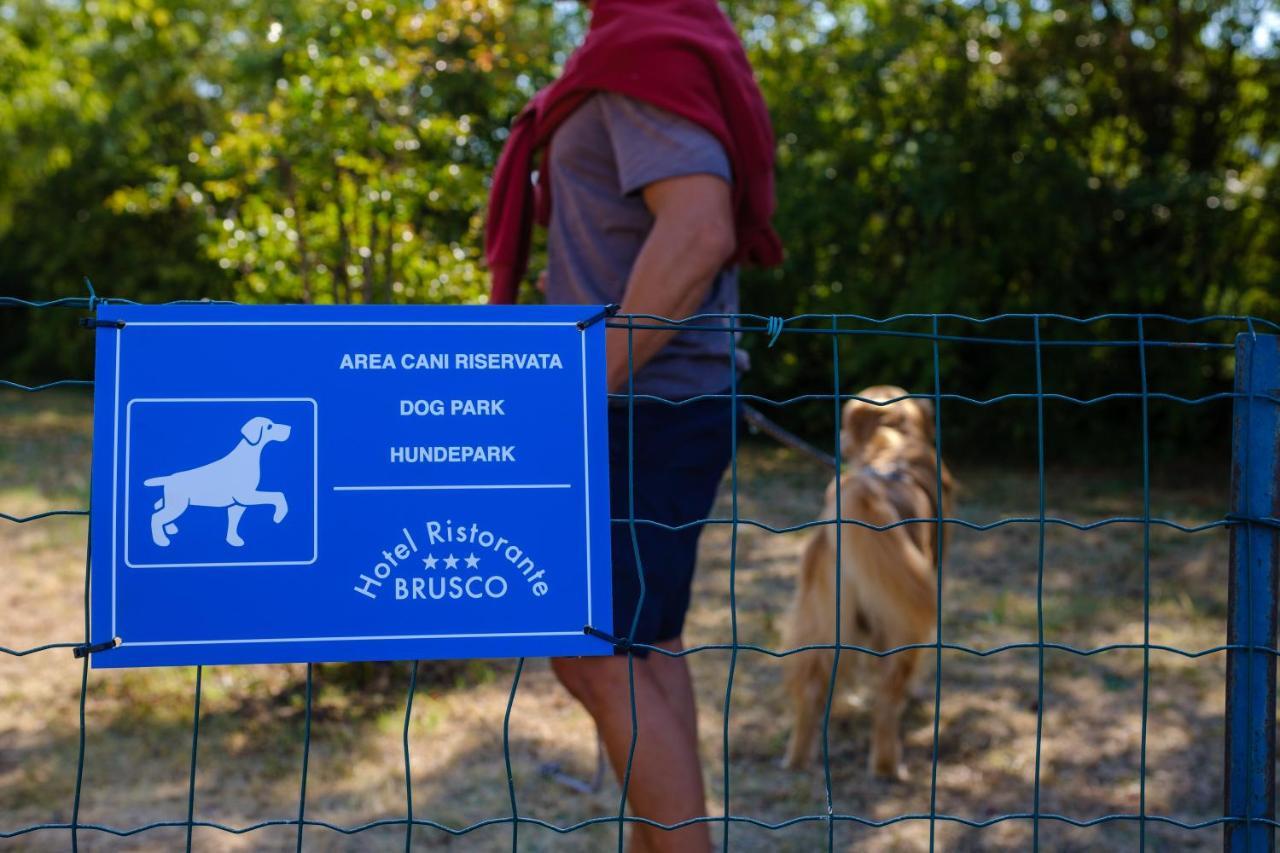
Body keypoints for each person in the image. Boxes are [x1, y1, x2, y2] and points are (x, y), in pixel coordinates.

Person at [485, 1, 782, 850]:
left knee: (593, 653)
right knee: (646, 646)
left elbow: (698, 229)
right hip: (654, 400)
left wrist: (574, 384)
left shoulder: (645, 54)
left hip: (640, 405)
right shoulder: (646, 46)